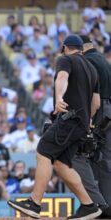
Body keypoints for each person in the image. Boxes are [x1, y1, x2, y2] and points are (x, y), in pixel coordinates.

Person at [8, 35, 102, 219]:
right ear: (81, 49)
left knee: (43, 151)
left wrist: (59, 98)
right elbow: (96, 103)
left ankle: (34, 203)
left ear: (66, 47)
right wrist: (87, 121)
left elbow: (62, 78)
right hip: (82, 125)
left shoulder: (65, 59)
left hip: (69, 119)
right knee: (61, 164)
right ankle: (89, 206)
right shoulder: (92, 69)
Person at [74, 35, 111, 217]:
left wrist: (87, 120)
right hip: (108, 111)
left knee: (87, 156)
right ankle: (104, 205)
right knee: (104, 158)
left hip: (98, 111)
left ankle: (97, 206)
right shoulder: (103, 60)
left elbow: (91, 96)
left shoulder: (88, 61)